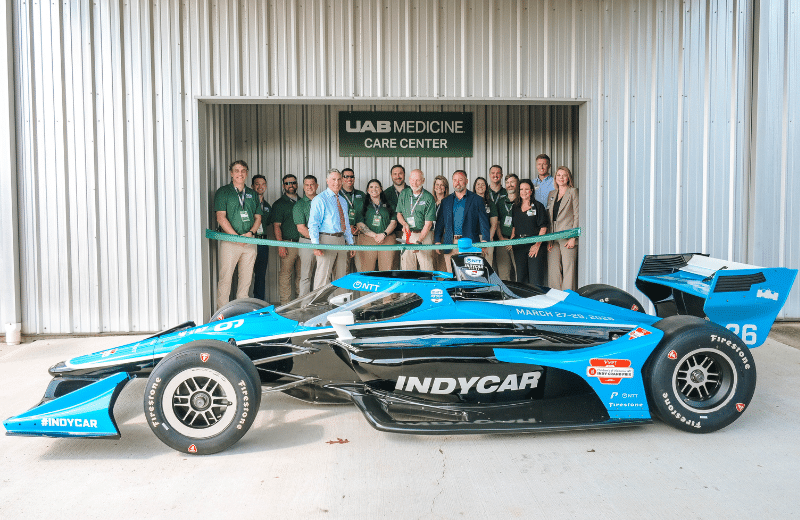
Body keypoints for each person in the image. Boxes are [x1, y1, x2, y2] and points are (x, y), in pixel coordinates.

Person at [214, 160, 263, 309]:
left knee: (246, 281)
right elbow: (220, 217)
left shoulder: (252, 194)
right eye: (236, 170)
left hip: (249, 242)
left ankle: (241, 312)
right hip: (230, 242)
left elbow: (258, 218)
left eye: (243, 171)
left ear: (247, 173)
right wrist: (236, 237)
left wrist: (251, 233)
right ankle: (222, 314)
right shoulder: (223, 192)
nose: (240, 174)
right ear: (231, 173)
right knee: (225, 279)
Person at [434, 170, 491, 272]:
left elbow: (484, 222)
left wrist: (485, 241)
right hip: (450, 244)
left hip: (470, 243)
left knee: (470, 275)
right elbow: (439, 224)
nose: (457, 183)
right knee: (452, 275)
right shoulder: (446, 201)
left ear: (466, 181)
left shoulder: (477, 200)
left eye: (460, 180)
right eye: (455, 180)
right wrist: (437, 240)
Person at [308, 169, 355, 289]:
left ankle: (339, 301)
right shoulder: (320, 199)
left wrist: (351, 243)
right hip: (326, 240)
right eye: (333, 179)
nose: (337, 182)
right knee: (323, 277)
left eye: (339, 179)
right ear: (327, 181)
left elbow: (346, 223)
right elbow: (313, 224)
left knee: (341, 278)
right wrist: (315, 245)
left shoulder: (343, 201)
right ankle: (319, 301)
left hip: (341, 240)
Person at [396, 169, 436, 271]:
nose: (415, 183)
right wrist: (404, 224)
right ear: (409, 180)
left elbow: (428, 224)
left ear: (423, 180)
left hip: (424, 235)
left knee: (426, 266)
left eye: (418, 180)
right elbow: (399, 214)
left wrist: (419, 241)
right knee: (407, 267)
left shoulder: (428, 198)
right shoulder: (404, 194)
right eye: (413, 180)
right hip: (408, 234)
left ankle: (427, 282)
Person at [547, 166, 579, 291]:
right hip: (553, 236)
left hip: (568, 236)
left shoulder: (573, 192)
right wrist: (549, 238)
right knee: (553, 269)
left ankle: (568, 297)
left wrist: (573, 237)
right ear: (555, 178)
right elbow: (550, 217)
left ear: (568, 178)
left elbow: (577, 215)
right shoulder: (552, 194)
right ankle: (555, 297)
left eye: (564, 175)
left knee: (568, 269)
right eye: (558, 175)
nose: (561, 178)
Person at [511, 179, 549, 286]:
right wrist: (511, 241)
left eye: (526, 189)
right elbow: (514, 227)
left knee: (535, 279)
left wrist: (537, 245)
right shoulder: (515, 207)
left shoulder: (538, 206)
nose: (524, 192)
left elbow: (543, 228)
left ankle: (537, 297)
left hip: (534, 245)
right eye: (521, 189)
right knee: (521, 279)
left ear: (531, 191)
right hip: (519, 246)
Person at [356, 179, 397, 272]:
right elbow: (359, 223)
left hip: (387, 238)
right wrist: (374, 235)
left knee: (386, 270)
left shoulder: (390, 204)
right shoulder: (362, 203)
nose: (374, 189)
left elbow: (393, 222)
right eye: (371, 187)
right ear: (367, 190)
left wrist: (384, 234)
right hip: (367, 239)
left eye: (376, 187)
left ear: (381, 189)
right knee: (367, 270)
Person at [272, 174, 301, 305]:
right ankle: (286, 305)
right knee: (286, 275)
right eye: (288, 183)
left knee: (302, 275)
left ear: (297, 184)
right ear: (283, 186)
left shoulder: (303, 201)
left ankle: (301, 304)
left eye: (293, 183)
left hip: (304, 243)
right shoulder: (279, 204)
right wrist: (280, 245)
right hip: (288, 243)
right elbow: (276, 226)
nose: (291, 185)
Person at [293, 175, 318, 296]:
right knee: (305, 275)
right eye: (307, 185)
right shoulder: (299, 205)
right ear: (303, 187)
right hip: (307, 242)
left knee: (324, 274)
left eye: (312, 184)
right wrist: (316, 240)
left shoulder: (323, 201)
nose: (309, 187)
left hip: (324, 241)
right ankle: (304, 303)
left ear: (317, 186)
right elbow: (301, 228)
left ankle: (323, 303)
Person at [251, 174, 274, 301]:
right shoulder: (248, 203)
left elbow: (268, 223)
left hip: (263, 243)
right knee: (245, 274)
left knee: (260, 275)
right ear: (252, 186)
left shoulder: (267, 206)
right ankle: (243, 302)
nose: (260, 187)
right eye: (257, 184)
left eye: (263, 184)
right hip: (250, 241)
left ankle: (259, 302)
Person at [341, 167, 366, 272]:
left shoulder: (361, 195)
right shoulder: (337, 194)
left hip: (359, 235)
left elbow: (367, 213)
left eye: (351, 176)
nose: (349, 179)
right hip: (342, 237)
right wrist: (347, 227)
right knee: (342, 269)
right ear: (342, 179)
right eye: (346, 176)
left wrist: (360, 227)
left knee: (362, 268)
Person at [495, 173, 518, 281]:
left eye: (512, 182)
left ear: (517, 183)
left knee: (519, 273)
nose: (510, 185)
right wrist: (501, 238)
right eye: (507, 183)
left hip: (517, 241)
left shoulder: (522, 201)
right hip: (502, 241)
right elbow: (497, 222)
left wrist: (513, 240)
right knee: (503, 274)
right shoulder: (500, 202)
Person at [384, 164, 408, 269]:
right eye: (395, 174)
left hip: (409, 232)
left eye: (400, 173)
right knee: (393, 264)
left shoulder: (412, 191)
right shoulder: (385, 193)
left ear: (404, 174)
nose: (398, 176)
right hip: (391, 234)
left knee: (408, 263)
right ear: (391, 176)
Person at [472, 176, 499, 267]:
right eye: (478, 184)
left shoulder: (491, 204)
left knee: (487, 266)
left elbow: (494, 225)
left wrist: (486, 241)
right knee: (474, 266)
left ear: (486, 187)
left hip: (487, 238)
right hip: (473, 238)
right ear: (474, 187)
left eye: (483, 184)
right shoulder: (469, 203)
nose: (480, 186)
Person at [432, 175, 449, 272]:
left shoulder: (449, 202)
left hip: (443, 236)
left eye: (442, 185)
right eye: (437, 184)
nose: (439, 187)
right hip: (430, 235)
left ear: (445, 188)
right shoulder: (430, 201)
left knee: (442, 265)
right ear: (434, 187)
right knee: (431, 264)